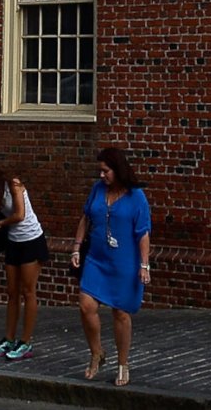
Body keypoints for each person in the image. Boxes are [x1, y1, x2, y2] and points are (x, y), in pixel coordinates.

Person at [70, 146, 151, 386]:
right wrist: (76, 247)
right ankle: (97, 352)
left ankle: (123, 363)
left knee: (120, 313)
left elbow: (143, 233)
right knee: (85, 304)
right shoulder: (97, 190)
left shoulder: (136, 197)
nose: (102, 176)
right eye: (100, 171)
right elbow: (86, 217)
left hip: (124, 262)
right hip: (97, 258)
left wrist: (144, 265)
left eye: (106, 171)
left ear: (118, 170)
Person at [0, 159, 45, 360]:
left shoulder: (13, 185)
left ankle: (26, 341)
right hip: (13, 242)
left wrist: (1, 223)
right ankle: (9, 338)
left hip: (31, 240)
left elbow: (20, 214)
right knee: (12, 292)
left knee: (28, 291)